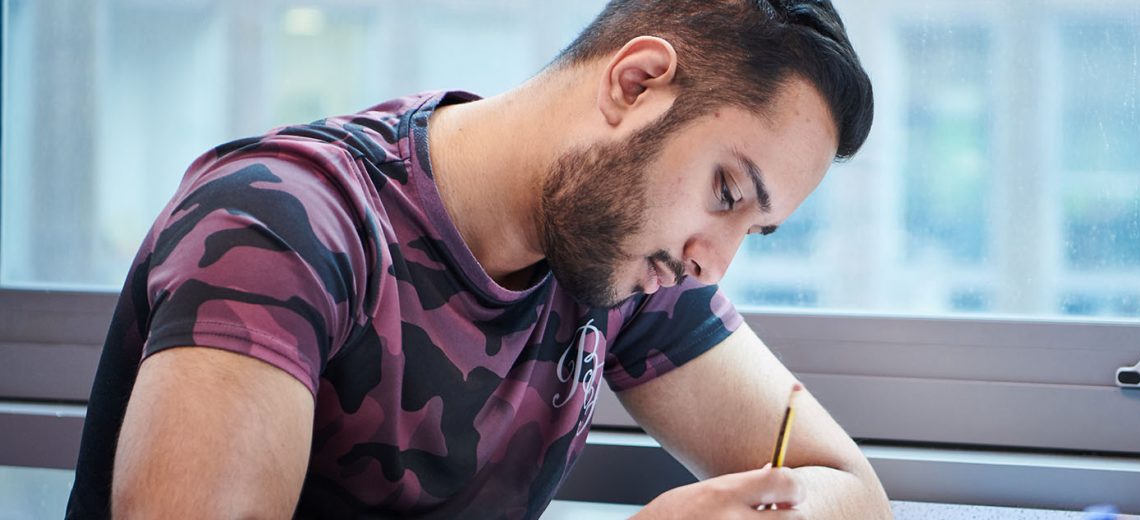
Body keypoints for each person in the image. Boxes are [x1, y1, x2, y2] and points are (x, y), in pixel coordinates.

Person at [65, 0, 886, 517]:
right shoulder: (283, 226)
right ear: (635, 86)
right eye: (727, 192)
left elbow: (850, 489)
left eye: (757, 229)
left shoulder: (625, 259)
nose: (716, 263)